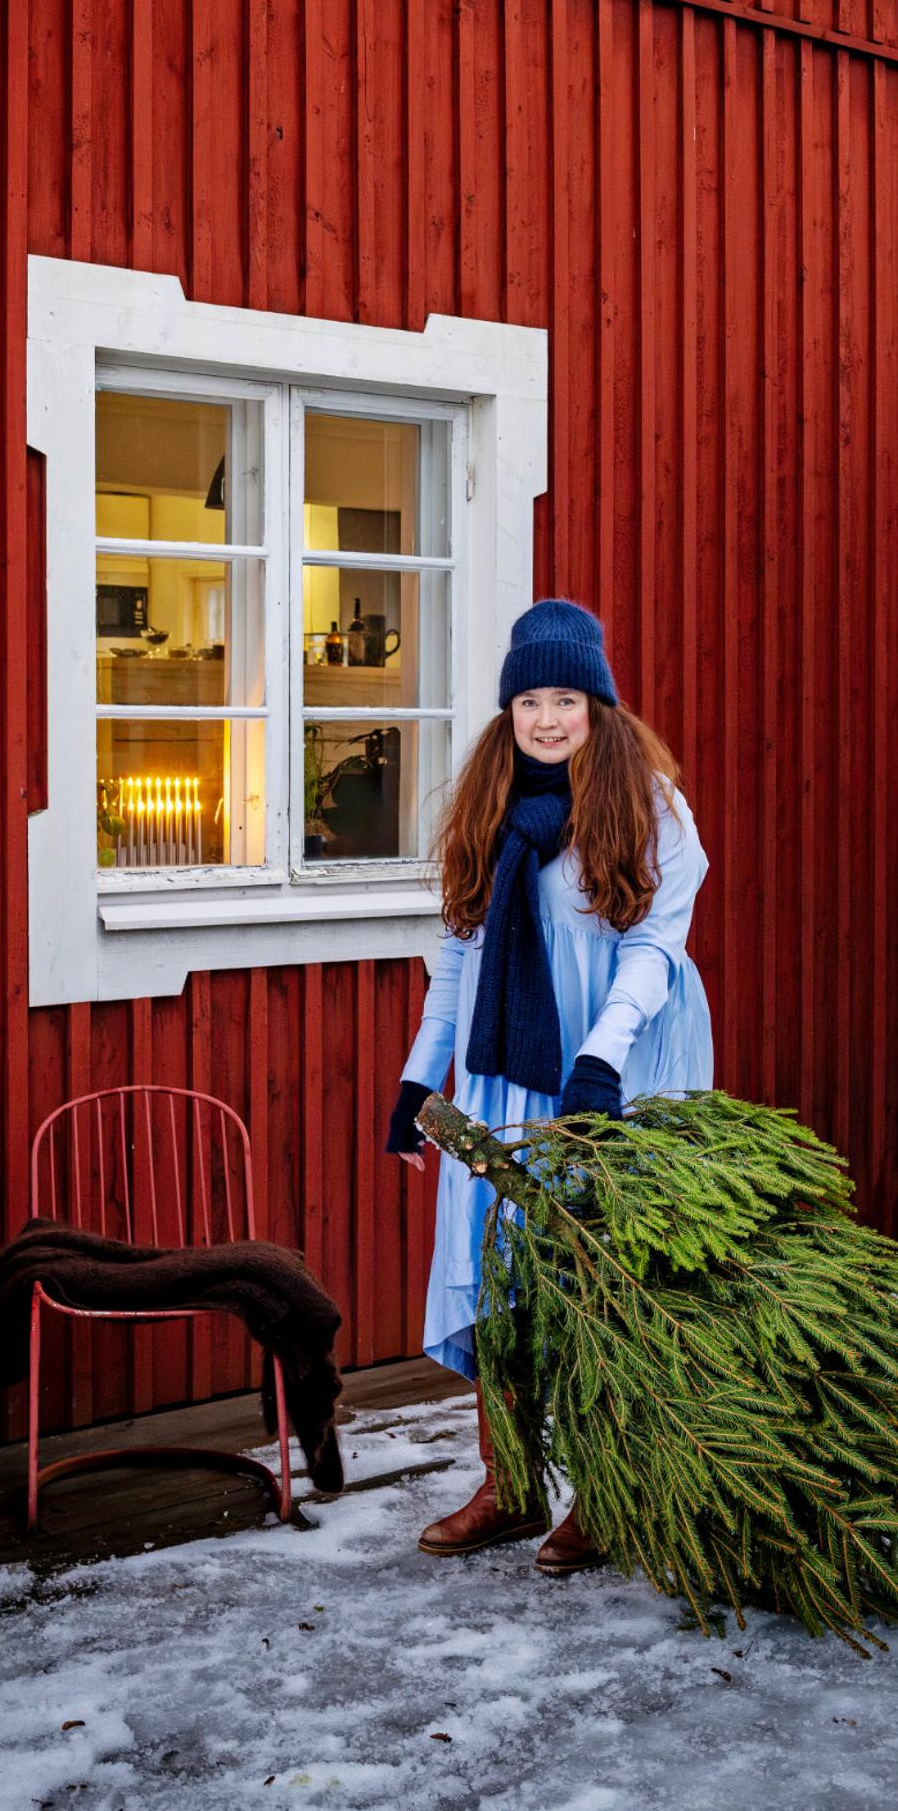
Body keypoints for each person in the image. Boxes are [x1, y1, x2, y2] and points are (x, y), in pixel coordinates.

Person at [385, 598, 713, 1574]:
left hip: (617, 1063)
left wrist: (601, 1059)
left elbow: (656, 949)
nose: (546, 717)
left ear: (597, 703)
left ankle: (607, 1490)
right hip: (500, 1076)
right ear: (508, 708)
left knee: (593, 1278)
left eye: (564, 696)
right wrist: (415, 1075)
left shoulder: (649, 802)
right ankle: (513, 1484)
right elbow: (457, 961)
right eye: (529, 698)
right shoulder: (485, 807)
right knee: (493, 1269)